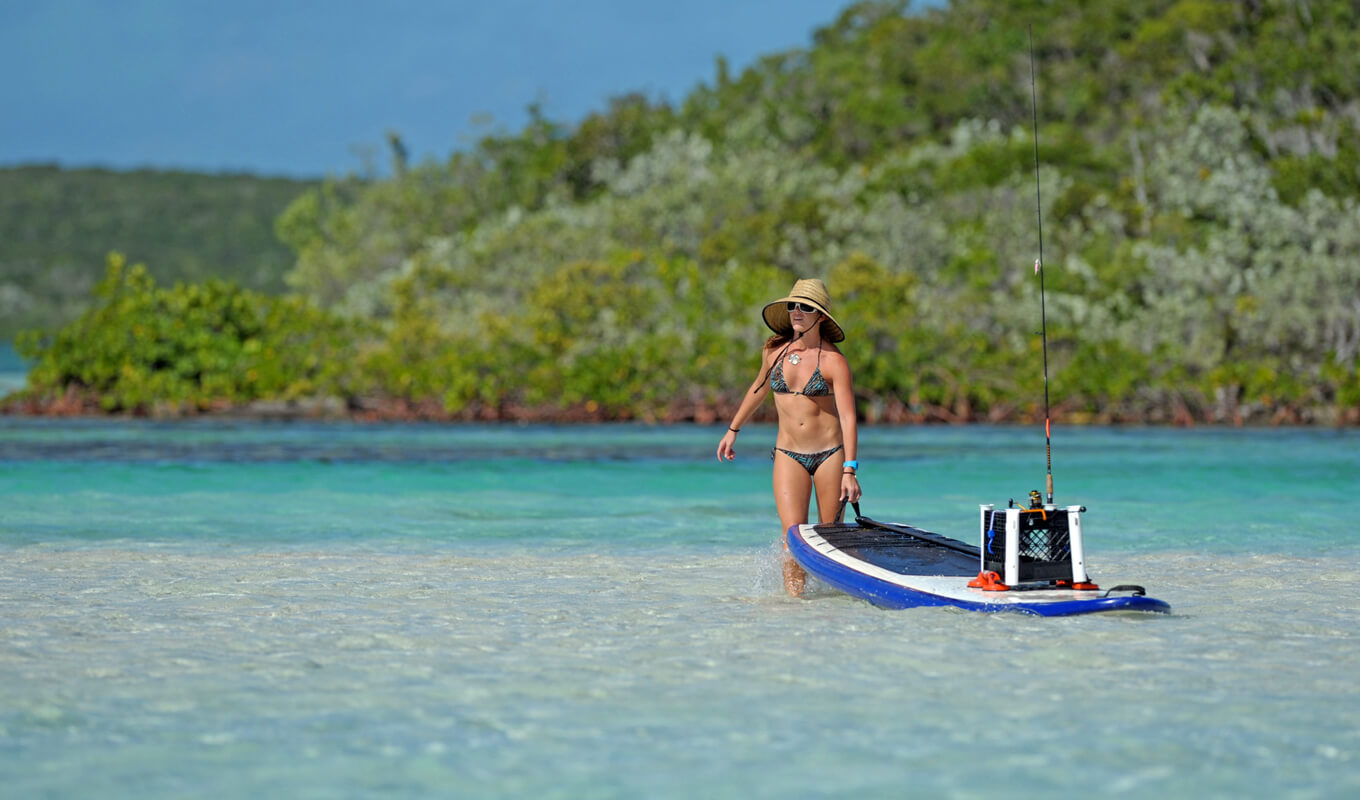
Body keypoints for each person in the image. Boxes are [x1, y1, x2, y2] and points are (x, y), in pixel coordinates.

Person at [716, 278, 861, 597]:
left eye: (806, 307)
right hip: (788, 453)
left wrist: (850, 470)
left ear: (820, 316)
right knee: (792, 536)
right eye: (793, 305)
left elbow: (849, 417)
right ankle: (795, 607)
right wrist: (733, 429)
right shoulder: (774, 351)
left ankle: (837, 604)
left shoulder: (834, 362)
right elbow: (758, 388)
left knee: (830, 536)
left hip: (830, 456)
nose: (797, 311)